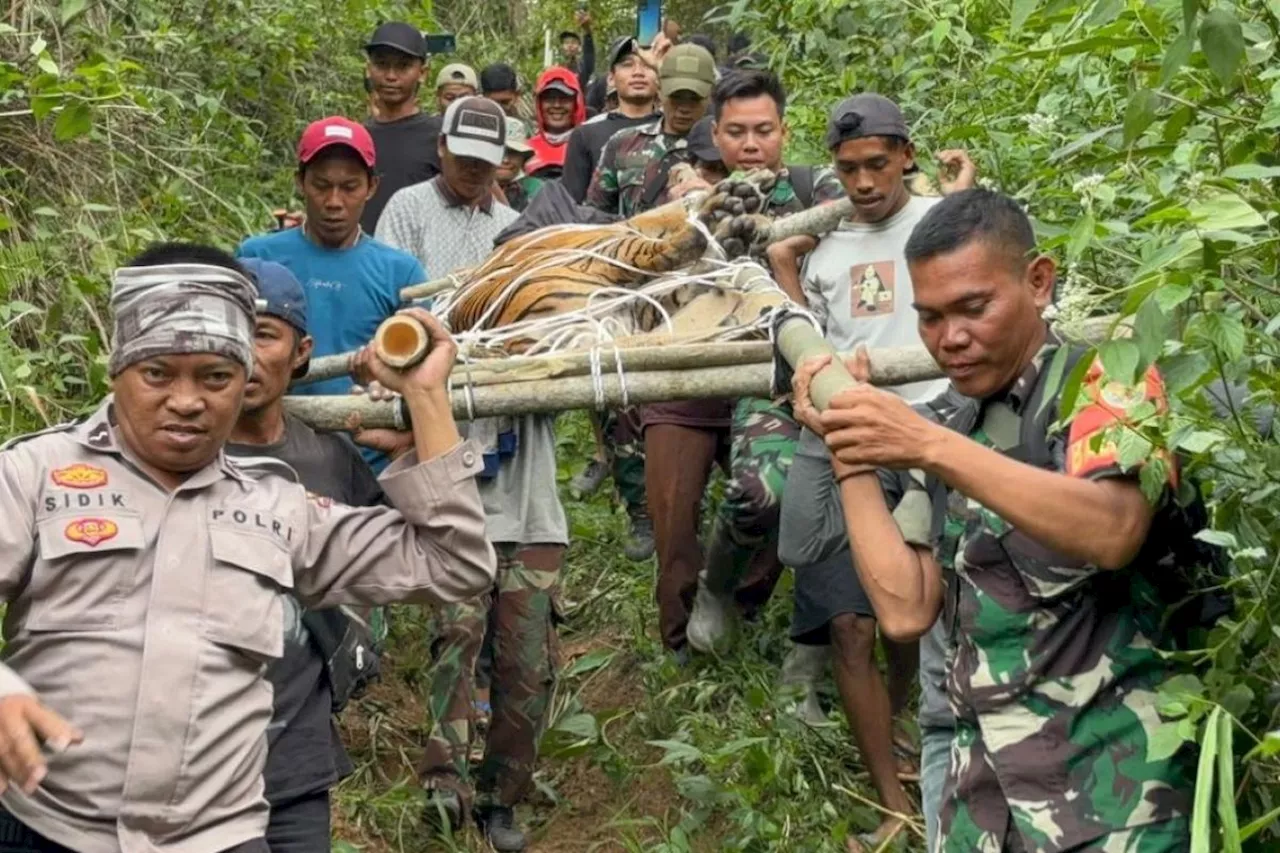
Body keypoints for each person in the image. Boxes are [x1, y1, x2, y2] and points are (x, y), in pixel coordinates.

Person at [0, 242, 494, 853]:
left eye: (215, 377)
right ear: (117, 369)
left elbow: (457, 564)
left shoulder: (280, 504)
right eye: (157, 373)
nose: (187, 400)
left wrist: (425, 398)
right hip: (43, 829)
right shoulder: (34, 475)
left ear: (246, 382)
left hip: (220, 837)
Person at [791, 188, 1195, 852]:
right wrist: (851, 445)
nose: (950, 338)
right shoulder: (951, 418)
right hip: (982, 803)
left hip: (1115, 796)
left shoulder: (1106, 379)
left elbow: (1115, 527)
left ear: (1038, 281)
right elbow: (903, 607)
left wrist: (927, 446)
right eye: (930, 317)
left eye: (974, 308)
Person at [771, 93, 976, 851]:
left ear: (906, 155)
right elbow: (806, 343)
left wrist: (962, 200)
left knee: (911, 619)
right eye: (848, 168)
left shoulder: (935, 223)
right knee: (848, 619)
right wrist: (785, 271)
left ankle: (903, 742)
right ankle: (892, 799)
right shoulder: (820, 240)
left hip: (928, 430)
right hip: (843, 433)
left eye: (877, 165)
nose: (862, 182)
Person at [376, 95, 564, 853]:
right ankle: (443, 782)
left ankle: (503, 794)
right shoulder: (408, 213)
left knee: (526, 655)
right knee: (456, 627)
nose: (474, 176)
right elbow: (392, 318)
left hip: (527, 477)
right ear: (442, 150)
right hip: (448, 459)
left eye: (488, 166)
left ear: (505, 163)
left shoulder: (518, 234)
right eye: (462, 161)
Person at [229, 259, 385, 853]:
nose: (242, 352)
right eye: (229, 329)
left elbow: (403, 556)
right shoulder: (174, 453)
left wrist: (417, 437)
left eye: (263, 333)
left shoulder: (326, 455)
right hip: (193, 768)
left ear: (302, 352)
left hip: (295, 762)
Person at [237, 118, 425, 409]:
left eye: (349, 187)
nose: (334, 201)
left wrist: (383, 379)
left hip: (362, 444)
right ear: (300, 182)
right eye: (321, 185)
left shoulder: (401, 273)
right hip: (268, 439)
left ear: (371, 187)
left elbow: (418, 367)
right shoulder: (257, 258)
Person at [376, 96, 516, 280]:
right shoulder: (408, 208)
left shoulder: (511, 226)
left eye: (484, 160)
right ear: (442, 145)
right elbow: (387, 283)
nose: (474, 169)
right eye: (464, 158)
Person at [560, 36, 663, 203]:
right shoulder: (586, 135)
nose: (638, 72)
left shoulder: (673, 128)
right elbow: (572, 206)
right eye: (627, 65)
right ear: (611, 78)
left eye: (647, 66)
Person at [360, 22, 440, 233]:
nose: (391, 76)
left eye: (403, 66)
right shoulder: (358, 138)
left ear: (422, 73)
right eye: (382, 64)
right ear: (369, 70)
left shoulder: (440, 137)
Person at [524, 68, 586, 181]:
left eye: (564, 98)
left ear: (577, 103)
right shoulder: (525, 150)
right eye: (549, 99)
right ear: (539, 104)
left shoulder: (589, 147)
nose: (557, 105)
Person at [497, 117, 543, 213]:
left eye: (513, 153)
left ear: (523, 158)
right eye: (500, 151)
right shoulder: (471, 188)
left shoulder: (536, 189)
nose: (505, 160)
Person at [559, 10, 595, 92]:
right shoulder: (556, 68)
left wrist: (587, 31)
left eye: (573, 42)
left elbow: (589, 52)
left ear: (579, 47)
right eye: (566, 42)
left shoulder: (583, 67)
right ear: (562, 47)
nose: (570, 45)